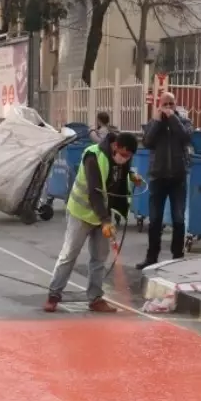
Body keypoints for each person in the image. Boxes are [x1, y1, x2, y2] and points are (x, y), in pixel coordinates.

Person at [44, 132, 139, 313]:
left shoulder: (121, 160)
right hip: (81, 213)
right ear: (116, 146)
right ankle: (53, 295)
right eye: (124, 155)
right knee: (69, 254)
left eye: (129, 157)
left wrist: (131, 177)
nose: (125, 159)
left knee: (99, 259)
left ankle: (95, 298)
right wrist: (105, 221)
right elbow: (94, 191)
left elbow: (117, 175)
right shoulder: (92, 156)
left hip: (102, 215)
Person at [137, 91, 192, 269]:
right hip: (158, 176)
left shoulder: (183, 121)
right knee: (155, 219)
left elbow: (186, 137)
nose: (168, 107)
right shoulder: (154, 123)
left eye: (171, 104)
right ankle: (151, 257)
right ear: (159, 105)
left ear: (175, 105)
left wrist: (173, 119)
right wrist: (159, 122)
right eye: (165, 104)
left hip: (178, 177)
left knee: (178, 218)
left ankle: (177, 257)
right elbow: (147, 142)